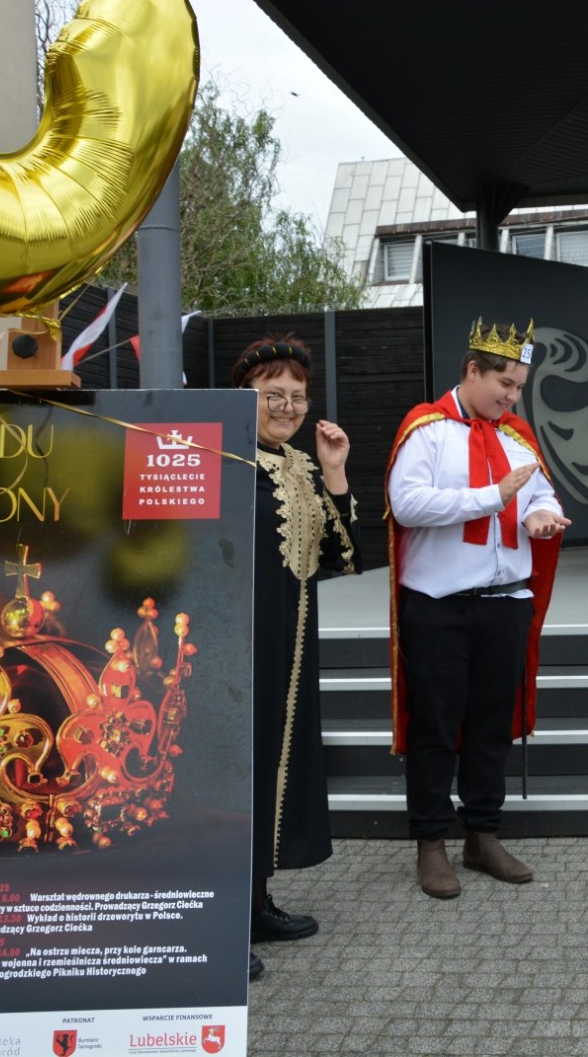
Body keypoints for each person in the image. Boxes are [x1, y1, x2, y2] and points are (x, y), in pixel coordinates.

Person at [386, 319, 570, 899]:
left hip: (506, 602)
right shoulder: (426, 429)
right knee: (436, 727)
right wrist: (495, 497)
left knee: (492, 725)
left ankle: (483, 835)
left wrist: (541, 514)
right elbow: (406, 504)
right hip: (438, 605)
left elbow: (539, 492)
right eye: (504, 384)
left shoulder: (517, 437)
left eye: (519, 387)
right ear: (472, 370)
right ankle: (431, 843)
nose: (512, 397)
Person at [234, 334, 362, 982]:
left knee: (272, 772)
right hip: (233, 647)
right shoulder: (220, 459)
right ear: (242, 398)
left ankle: (256, 905)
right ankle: (219, 923)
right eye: (272, 395)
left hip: (289, 644)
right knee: (236, 775)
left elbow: (342, 556)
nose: (286, 407)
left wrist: (334, 471)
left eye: (297, 397)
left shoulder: (301, 466)